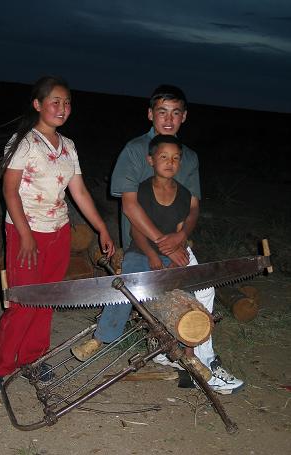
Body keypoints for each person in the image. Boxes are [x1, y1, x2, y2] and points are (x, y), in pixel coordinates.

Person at [73, 85, 243, 395]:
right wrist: (160, 244)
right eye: (162, 111)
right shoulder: (136, 150)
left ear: (184, 117)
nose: (168, 119)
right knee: (135, 283)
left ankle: (188, 356)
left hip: (174, 242)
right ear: (151, 114)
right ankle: (202, 363)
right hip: (143, 244)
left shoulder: (188, 157)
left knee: (204, 287)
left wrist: (180, 238)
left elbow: (192, 207)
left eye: (175, 112)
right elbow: (129, 205)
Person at [0, 76, 115, 393]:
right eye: (55, 101)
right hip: (26, 231)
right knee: (24, 302)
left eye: (67, 102)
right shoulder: (23, 141)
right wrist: (25, 235)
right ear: (38, 105)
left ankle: (33, 359)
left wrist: (102, 227)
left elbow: (78, 191)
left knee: (46, 302)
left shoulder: (68, 146)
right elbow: (9, 191)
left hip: (59, 232)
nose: (63, 108)